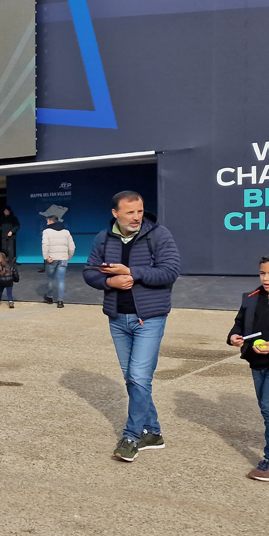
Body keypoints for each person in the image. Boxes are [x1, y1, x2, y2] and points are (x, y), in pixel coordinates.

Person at [84, 191, 181, 462]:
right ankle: (154, 433)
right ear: (115, 213)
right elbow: (89, 272)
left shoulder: (159, 235)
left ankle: (132, 436)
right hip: (118, 318)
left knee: (139, 377)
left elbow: (171, 271)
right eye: (129, 212)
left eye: (139, 211)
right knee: (133, 379)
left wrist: (130, 272)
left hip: (148, 318)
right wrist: (109, 283)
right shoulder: (103, 238)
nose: (136, 217)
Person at [228, 252, 269, 482]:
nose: (265, 278)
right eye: (262, 273)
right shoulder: (251, 297)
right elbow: (239, 323)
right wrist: (234, 336)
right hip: (256, 362)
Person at [42, 213, 76, 307]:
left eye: (47, 221)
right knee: (61, 280)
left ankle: (49, 297)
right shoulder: (66, 232)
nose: (47, 223)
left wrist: (46, 257)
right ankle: (60, 301)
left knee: (50, 278)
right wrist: (68, 257)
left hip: (51, 259)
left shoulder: (46, 232)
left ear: (50, 221)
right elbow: (72, 247)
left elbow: (45, 245)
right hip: (63, 259)